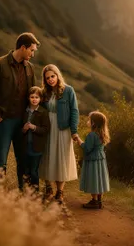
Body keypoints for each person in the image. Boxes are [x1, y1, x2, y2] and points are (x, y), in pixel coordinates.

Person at [0, 32, 40, 190]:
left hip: (23, 122)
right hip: (4, 121)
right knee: (1, 159)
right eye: (31, 50)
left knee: (23, 159)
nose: (33, 54)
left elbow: (33, 94)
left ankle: (26, 194)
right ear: (23, 47)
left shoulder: (30, 68)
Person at [39, 64, 79, 204]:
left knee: (61, 159)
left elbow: (74, 111)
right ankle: (48, 188)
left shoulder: (68, 91)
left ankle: (60, 192)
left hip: (63, 128)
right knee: (47, 156)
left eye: (52, 76)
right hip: (47, 127)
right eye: (47, 78)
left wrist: (74, 131)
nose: (50, 80)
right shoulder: (44, 93)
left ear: (57, 75)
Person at [75, 111, 111, 209]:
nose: (88, 121)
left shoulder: (92, 135)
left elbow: (87, 148)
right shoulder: (102, 134)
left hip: (92, 160)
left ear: (94, 123)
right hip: (101, 159)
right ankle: (99, 201)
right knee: (99, 179)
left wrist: (78, 139)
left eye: (89, 120)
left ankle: (94, 201)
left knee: (93, 179)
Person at [22, 86, 50, 192]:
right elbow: (21, 129)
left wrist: (33, 127)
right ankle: (26, 192)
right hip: (25, 146)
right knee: (26, 170)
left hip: (37, 147)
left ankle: (35, 193)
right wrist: (24, 129)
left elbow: (46, 129)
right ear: (28, 98)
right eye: (32, 97)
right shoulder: (25, 111)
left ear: (40, 99)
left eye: (37, 97)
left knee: (34, 171)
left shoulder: (43, 112)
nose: (34, 99)